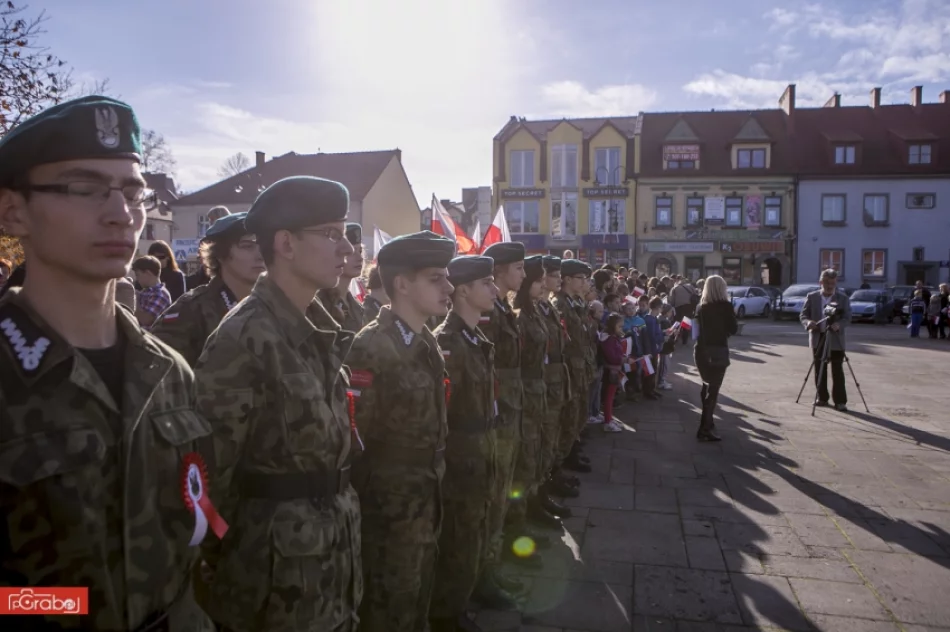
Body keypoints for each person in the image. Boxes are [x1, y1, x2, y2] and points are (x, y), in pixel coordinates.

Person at [0, 95, 214, 630]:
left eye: (132, 191)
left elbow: (191, 541)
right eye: (84, 187)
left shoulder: (169, 372)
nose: (121, 213)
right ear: (13, 211)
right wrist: (76, 608)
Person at [194, 176, 361, 632]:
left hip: (331, 571)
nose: (346, 249)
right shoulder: (244, 338)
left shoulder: (318, 327)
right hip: (274, 589)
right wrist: (231, 559)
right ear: (285, 243)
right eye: (331, 234)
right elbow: (209, 485)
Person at [348, 230, 455, 632]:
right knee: (387, 606)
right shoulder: (372, 346)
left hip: (424, 496)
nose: (448, 286)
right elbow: (357, 439)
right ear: (402, 284)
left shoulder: (425, 341)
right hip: (388, 510)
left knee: (416, 597)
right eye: (436, 277)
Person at [430, 255, 499, 632]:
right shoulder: (448, 343)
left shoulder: (475, 337)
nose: (494, 289)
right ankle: (445, 613)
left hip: (480, 450)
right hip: (460, 458)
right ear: (464, 290)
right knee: (458, 536)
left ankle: (463, 598)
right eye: (486, 283)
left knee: (475, 530)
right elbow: (441, 413)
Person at [477, 240, 536, 600]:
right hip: (497, 415)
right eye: (519, 269)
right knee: (495, 493)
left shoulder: (501, 308)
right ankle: (487, 570)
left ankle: (498, 557)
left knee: (508, 485)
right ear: (499, 272)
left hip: (509, 411)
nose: (525, 275)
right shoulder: (489, 312)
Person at [152, 211, 264, 367]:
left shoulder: (278, 305)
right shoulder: (192, 310)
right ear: (220, 255)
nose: (261, 255)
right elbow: (157, 374)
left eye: (265, 245)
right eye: (247, 246)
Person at [511, 255, 562, 532]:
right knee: (527, 458)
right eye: (539, 280)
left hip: (539, 390)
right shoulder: (518, 315)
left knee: (540, 450)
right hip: (526, 394)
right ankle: (523, 514)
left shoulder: (534, 310)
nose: (544, 286)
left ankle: (537, 499)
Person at [538, 255, 577, 500]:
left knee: (559, 429)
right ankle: (543, 486)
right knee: (546, 436)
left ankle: (553, 473)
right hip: (544, 383)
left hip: (558, 377)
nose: (558, 280)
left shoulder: (549, 307)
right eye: (553, 275)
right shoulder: (545, 307)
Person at [554, 259, 594, 475]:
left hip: (581, 367)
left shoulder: (576, 303)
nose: (584, 282)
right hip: (570, 369)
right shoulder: (560, 304)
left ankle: (571, 452)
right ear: (567, 279)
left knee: (578, 415)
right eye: (580, 278)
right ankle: (562, 461)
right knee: (568, 418)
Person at [694, 275, 739, 441]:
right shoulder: (725, 306)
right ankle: (705, 428)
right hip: (718, 351)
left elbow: (695, 331)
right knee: (713, 390)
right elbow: (733, 329)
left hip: (701, 351)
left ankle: (709, 422)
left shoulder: (700, 307)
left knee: (706, 386)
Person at [800, 268, 851, 412]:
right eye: (827, 283)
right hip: (819, 336)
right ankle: (822, 397)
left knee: (837, 370)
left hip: (836, 339)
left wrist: (839, 324)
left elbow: (848, 317)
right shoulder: (812, 297)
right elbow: (803, 315)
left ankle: (840, 401)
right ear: (820, 282)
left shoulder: (842, 298)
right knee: (819, 369)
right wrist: (808, 323)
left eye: (833, 283)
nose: (830, 286)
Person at [319, 222, 365, 332]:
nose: (360, 258)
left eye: (360, 251)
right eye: (353, 253)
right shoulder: (321, 302)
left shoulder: (356, 306)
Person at [186, 206, 231, 290]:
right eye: (209, 220)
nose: (210, 223)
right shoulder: (207, 239)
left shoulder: (231, 238)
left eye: (212, 219)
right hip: (207, 276)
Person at [131, 254, 172, 329]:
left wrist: (134, 299)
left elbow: (146, 320)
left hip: (150, 337)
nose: (137, 279)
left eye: (138, 275)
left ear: (148, 273)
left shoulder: (160, 294)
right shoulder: (146, 292)